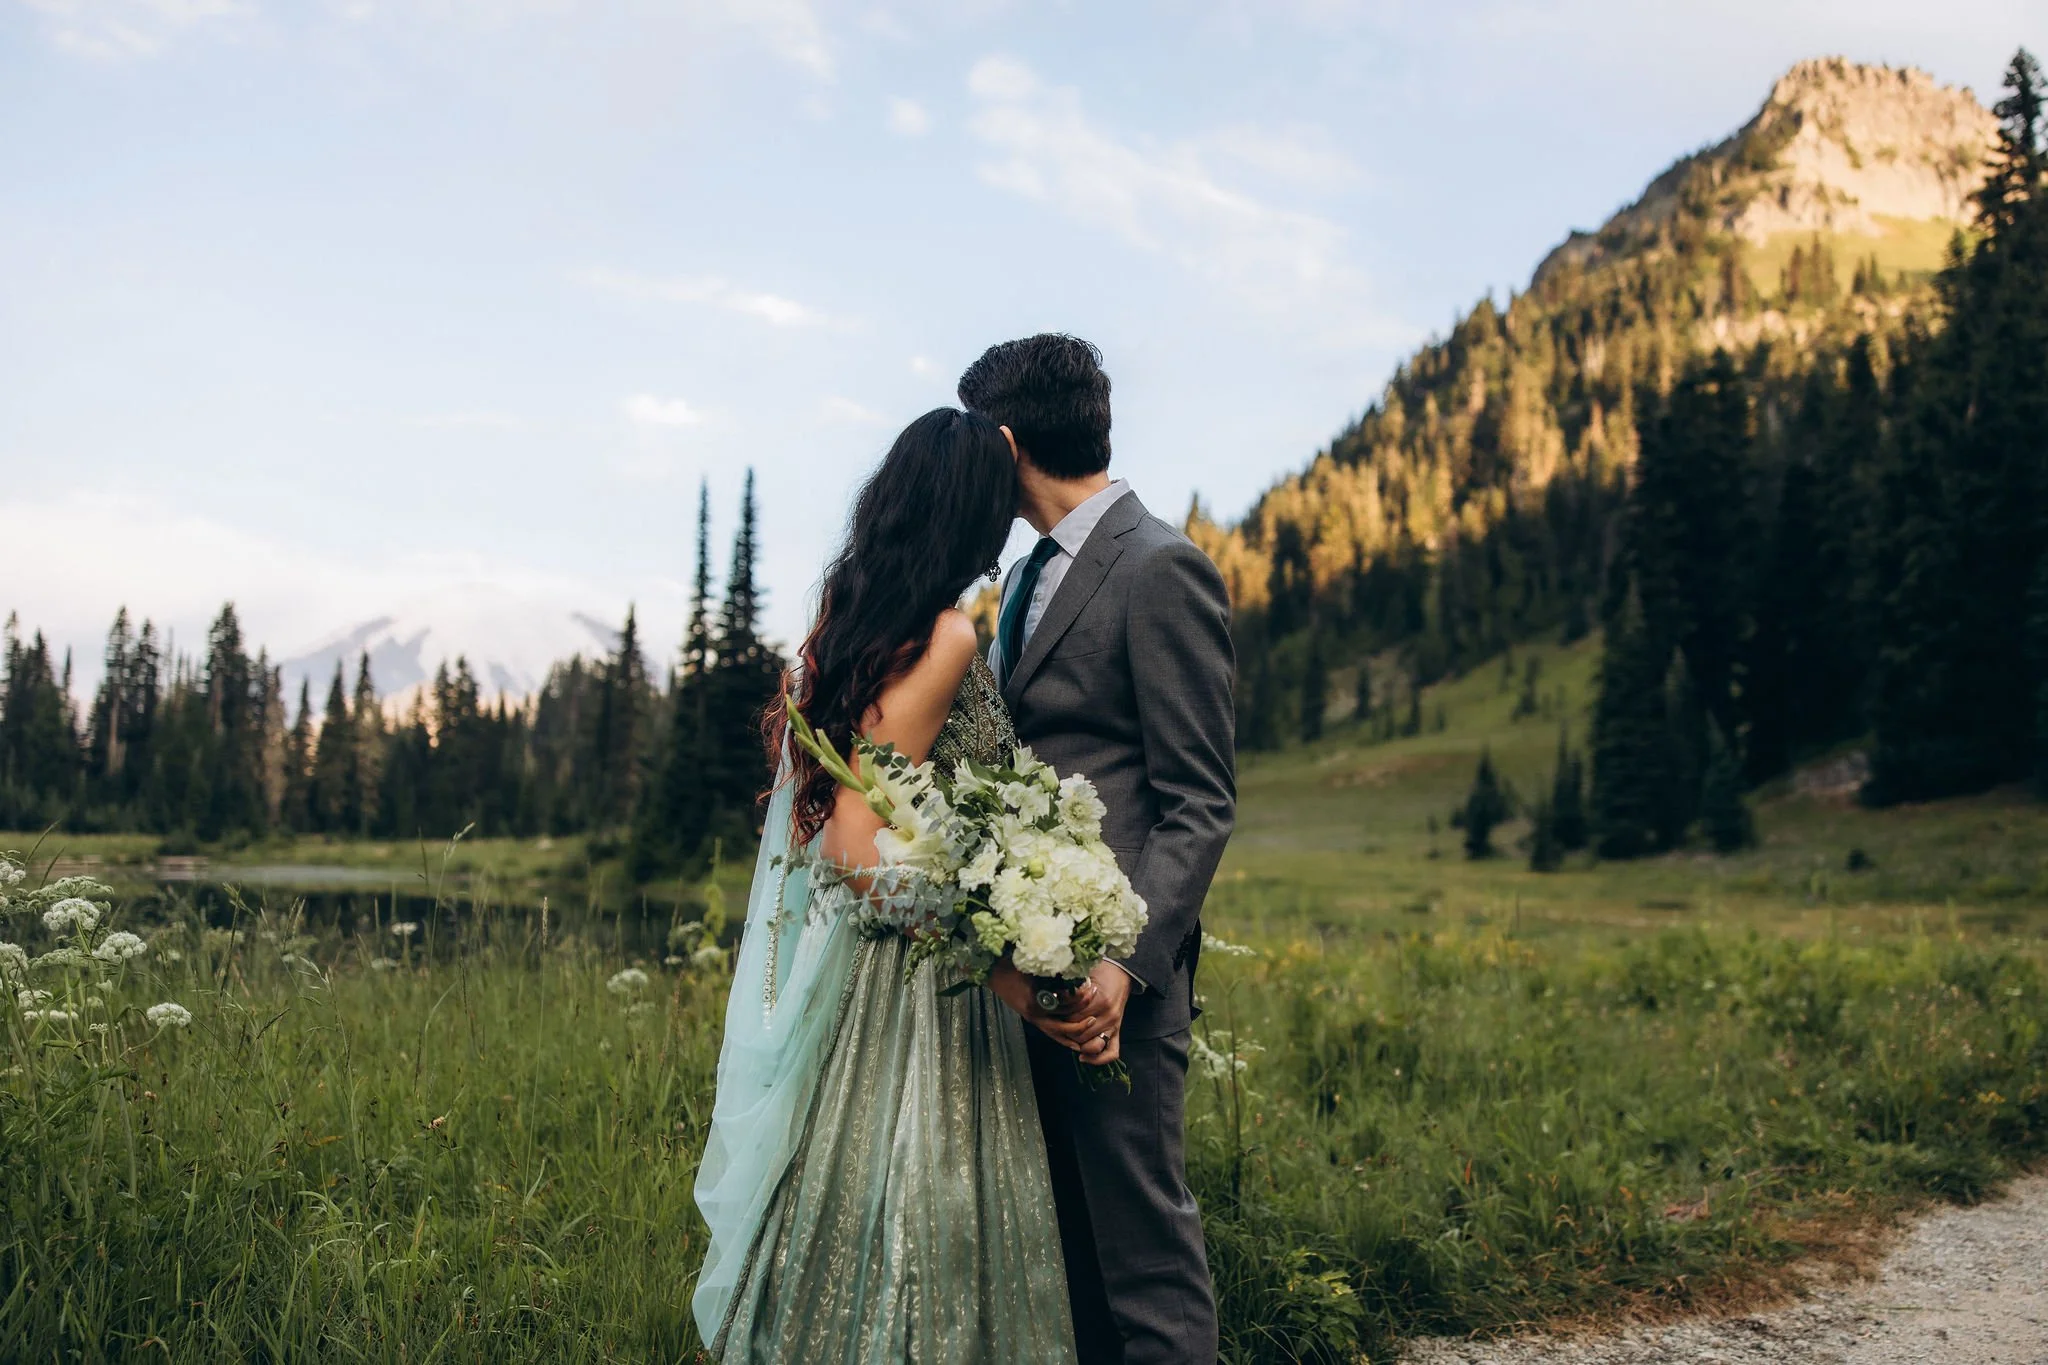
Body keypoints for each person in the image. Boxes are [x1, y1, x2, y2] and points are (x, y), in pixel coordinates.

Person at [691, 406, 1084, 1363]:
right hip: (922, 991)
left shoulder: (859, 620)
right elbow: (859, 848)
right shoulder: (945, 635)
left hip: (868, 976)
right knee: (925, 1216)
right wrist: (1003, 971)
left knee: (850, 1214)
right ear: (967, 515)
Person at [964, 333, 1237, 1365]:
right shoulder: (1021, 578)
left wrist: (1125, 964)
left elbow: (1198, 801)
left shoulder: (1160, 568)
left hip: (1119, 982)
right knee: (1069, 1254)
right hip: (1027, 967)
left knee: (1141, 1255)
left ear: (1003, 442)